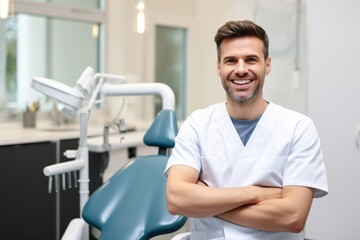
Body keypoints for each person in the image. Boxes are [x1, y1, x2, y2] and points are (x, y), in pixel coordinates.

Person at [164, 20, 328, 240]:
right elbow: (176, 200)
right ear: (219, 67)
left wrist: (206, 200)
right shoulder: (197, 124)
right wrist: (255, 194)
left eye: (251, 59)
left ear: (267, 65)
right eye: (231, 60)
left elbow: (293, 217)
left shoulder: (298, 128)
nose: (241, 70)